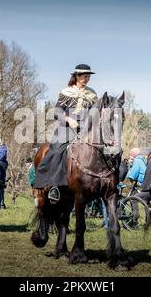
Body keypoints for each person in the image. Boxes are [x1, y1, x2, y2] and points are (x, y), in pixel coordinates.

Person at [34, 64, 98, 203]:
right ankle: (54, 186)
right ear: (76, 76)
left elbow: (95, 113)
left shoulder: (92, 94)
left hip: (86, 129)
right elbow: (57, 111)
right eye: (84, 76)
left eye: (88, 77)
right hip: (66, 129)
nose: (87, 79)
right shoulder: (66, 92)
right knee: (57, 152)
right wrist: (68, 119)